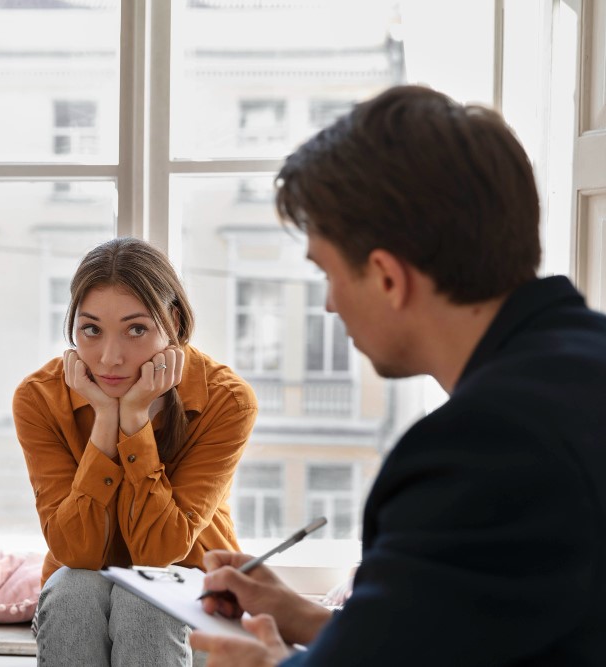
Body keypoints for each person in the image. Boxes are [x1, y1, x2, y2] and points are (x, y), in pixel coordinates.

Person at [188, 84, 606, 666]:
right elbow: (464, 633)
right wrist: (303, 618)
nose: (330, 304)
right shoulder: (582, 362)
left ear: (386, 277)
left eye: (328, 273)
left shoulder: (480, 448)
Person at [13, 237, 258, 666]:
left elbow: (160, 551)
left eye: (136, 329)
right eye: (91, 329)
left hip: (195, 609)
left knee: (144, 598)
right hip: (80, 598)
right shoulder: (40, 399)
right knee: (73, 590)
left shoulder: (226, 400)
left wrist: (135, 420)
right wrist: (106, 421)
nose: (109, 358)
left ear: (174, 323)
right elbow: (76, 552)